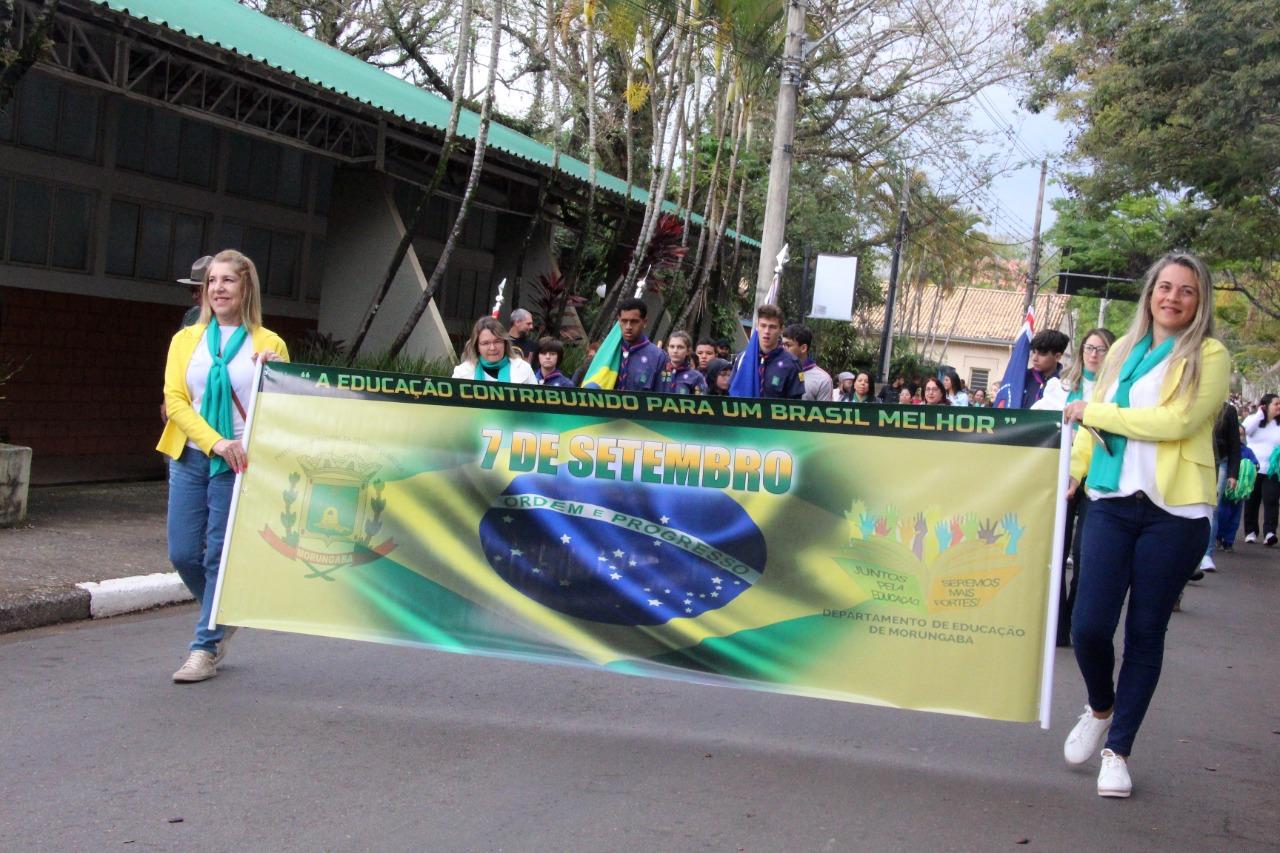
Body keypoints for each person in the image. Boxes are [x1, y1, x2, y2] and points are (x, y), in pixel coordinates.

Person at [1061, 251, 1229, 798]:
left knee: (1145, 632)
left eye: (1186, 290)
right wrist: (1075, 472)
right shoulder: (1123, 352)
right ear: (1150, 293)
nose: (1173, 297)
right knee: (1087, 624)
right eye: (1165, 287)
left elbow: (1177, 422)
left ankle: (1119, 749)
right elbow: (1090, 429)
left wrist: (1094, 411)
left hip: (1175, 513)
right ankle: (1100, 705)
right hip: (1110, 500)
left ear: (1199, 300)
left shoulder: (1210, 354)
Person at [157, 249, 290, 683]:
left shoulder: (269, 344)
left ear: (245, 287)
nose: (217, 289)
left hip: (239, 463)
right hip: (193, 454)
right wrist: (214, 442)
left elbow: (286, 407)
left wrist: (275, 375)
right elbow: (175, 401)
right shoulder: (186, 341)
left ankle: (204, 647)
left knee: (218, 555)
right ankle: (224, 612)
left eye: (227, 281)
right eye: (212, 282)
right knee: (182, 553)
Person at [1033, 327, 1117, 645]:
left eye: (1101, 349)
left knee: (1086, 554)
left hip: (1100, 479)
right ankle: (1058, 624)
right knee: (1056, 548)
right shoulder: (1063, 386)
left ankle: (1078, 618)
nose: (1094, 354)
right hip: (1063, 475)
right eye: (1089, 348)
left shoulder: (1117, 390)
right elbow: (1040, 420)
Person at [730, 305, 804, 399]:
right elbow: (732, 393)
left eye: (772, 327)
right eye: (763, 325)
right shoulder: (743, 359)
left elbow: (795, 405)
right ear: (757, 327)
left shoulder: (792, 363)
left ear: (781, 330)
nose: (767, 331)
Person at [1201, 400, 1242, 570]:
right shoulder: (1196, 403)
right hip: (1198, 460)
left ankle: (1206, 555)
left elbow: (1234, 444)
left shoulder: (1228, 411)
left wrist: (1233, 473)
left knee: (1213, 508)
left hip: (1221, 461)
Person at [1241, 394, 1280, 545]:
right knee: (1252, 500)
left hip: (1272, 469)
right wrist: (1259, 414)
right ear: (1265, 406)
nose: (1279, 406)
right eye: (1276, 404)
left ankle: (1270, 532)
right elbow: (1244, 431)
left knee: (1271, 500)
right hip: (1253, 467)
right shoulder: (1253, 420)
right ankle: (1250, 531)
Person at [452, 316, 538, 384]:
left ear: (505, 343)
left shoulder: (524, 369)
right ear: (476, 346)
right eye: (485, 343)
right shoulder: (462, 372)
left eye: (497, 341)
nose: (492, 348)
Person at [608, 298, 666, 392]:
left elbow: (663, 396)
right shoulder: (608, 351)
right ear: (619, 321)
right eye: (624, 321)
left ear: (645, 322)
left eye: (634, 321)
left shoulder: (658, 357)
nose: (628, 327)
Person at [1217, 424, 1257, 553]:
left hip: (1239, 493)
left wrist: (1252, 467)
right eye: (1236, 434)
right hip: (1225, 490)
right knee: (1222, 514)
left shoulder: (1247, 451)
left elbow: (1256, 464)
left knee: (1234, 518)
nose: (1239, 437)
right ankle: (1218, 537)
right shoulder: (1225, 451)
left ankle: (1229, 541)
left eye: (1241, 434)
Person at [781, 323, 833, 402]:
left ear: (803, 348)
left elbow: (824, 412)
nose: (783, 349)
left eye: (788, 345)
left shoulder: (823, 379)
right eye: (782, 345)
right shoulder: (775, 369)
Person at [1023, 329, 1071, 408]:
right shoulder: (1024, 378)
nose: (1034, 358)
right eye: (1034, 352)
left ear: (1057, 357)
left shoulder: (1065, 384)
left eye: (1042, 354)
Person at [662, 330, 708, 394]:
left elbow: (701, 402)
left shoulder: (696, 377)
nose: (675, 351)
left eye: (680, 347)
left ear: (688, 351)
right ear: (667, 349)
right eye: (672, 347)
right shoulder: (659, 371)